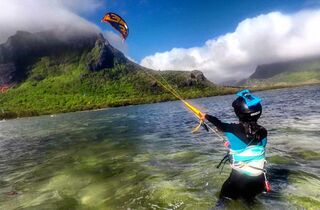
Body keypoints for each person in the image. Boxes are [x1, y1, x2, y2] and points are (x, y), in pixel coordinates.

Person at [200, 89, 269, 206]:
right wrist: (232, 145)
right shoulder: (264, 132)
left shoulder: (231, 130)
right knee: (251, 204)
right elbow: (253, 148)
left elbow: (218, 123)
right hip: (259, 181)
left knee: (222, 203)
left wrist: (205, 115)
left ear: (238, 113)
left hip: (238, 182)